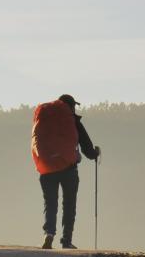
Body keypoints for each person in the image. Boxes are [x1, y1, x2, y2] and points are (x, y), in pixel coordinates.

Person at [30, 94, 100, 249]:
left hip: (46, 168)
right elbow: (86, 147)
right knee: (69, 204)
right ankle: (66, 240)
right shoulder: (71, 120)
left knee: (50, 203)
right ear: (70, 106)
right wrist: (95, 154)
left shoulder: (45, 117)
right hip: (68, 169)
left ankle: (49, 233)